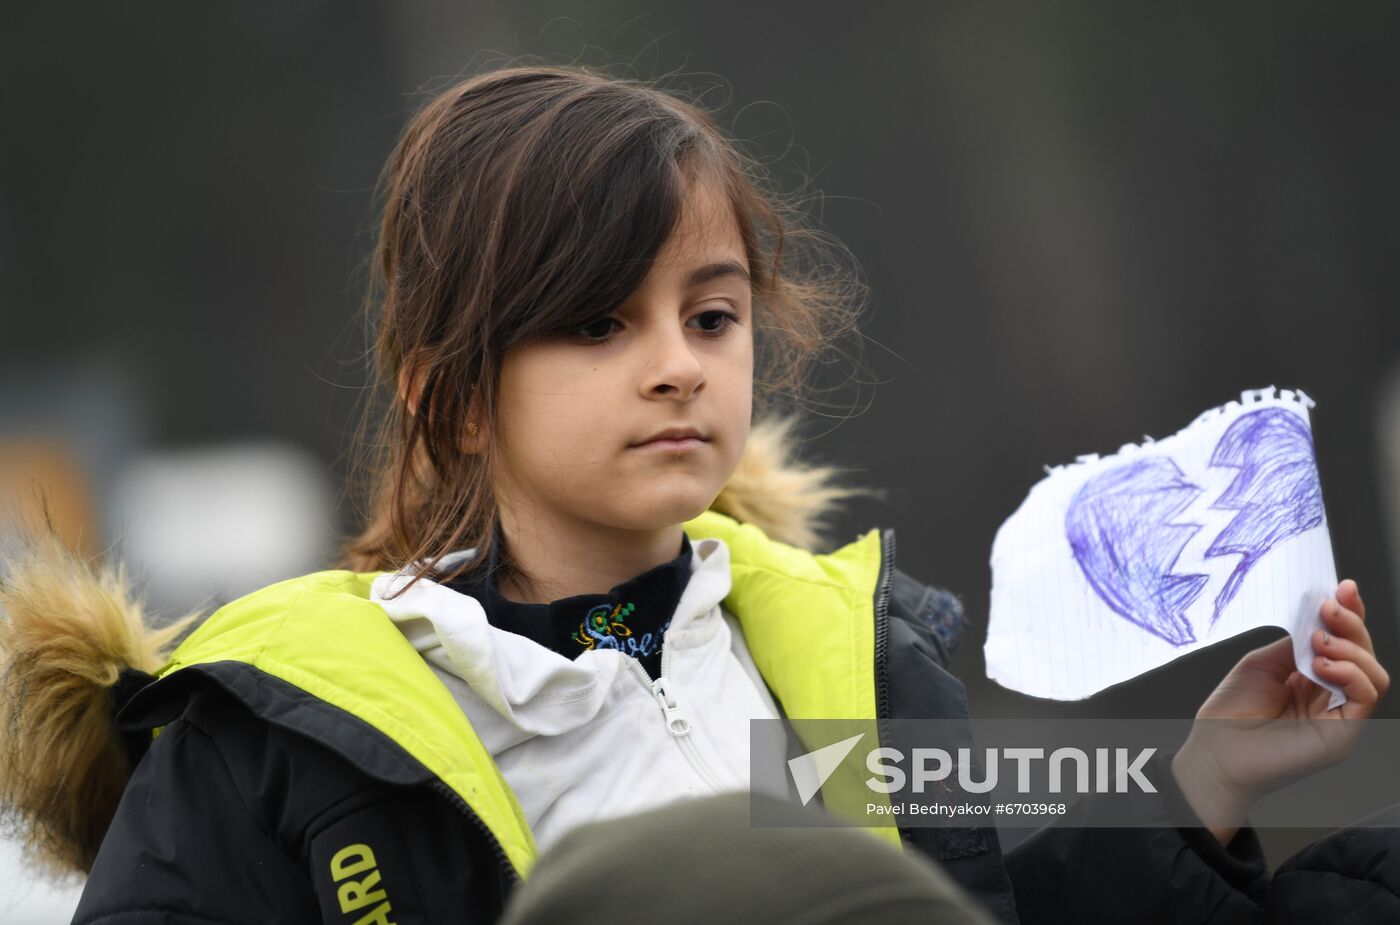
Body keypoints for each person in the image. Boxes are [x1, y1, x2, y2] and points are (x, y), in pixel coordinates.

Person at [0, 63, 1392, 925]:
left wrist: (1203, 773)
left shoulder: (844, 660)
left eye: (711, 315)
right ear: (454, 393)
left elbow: (995, 911)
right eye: (599, 325)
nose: (677, 367)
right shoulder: (272, 741)